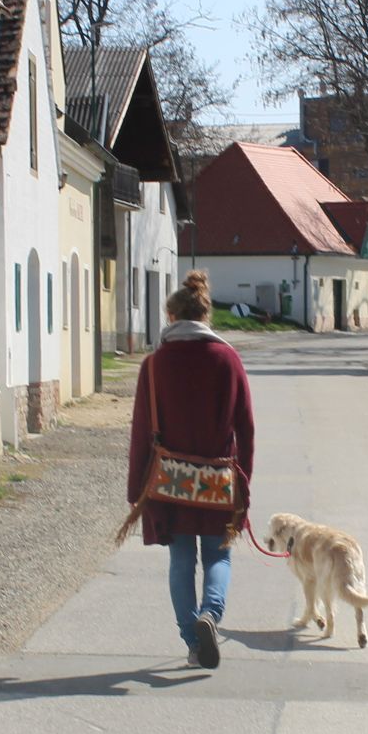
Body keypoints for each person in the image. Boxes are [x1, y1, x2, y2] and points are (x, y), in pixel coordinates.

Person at [126, 271, 255, 667]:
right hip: (218, 480)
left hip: (172, 483)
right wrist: (242, 485)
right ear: (206, 315)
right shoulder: (229, 359)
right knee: (219, 558)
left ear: (171, 316)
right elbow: (246, 427)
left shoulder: (154, 365)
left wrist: (137, 490)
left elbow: (140, 431)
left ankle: (193, 642)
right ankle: (209, 616)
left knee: (181, 560)